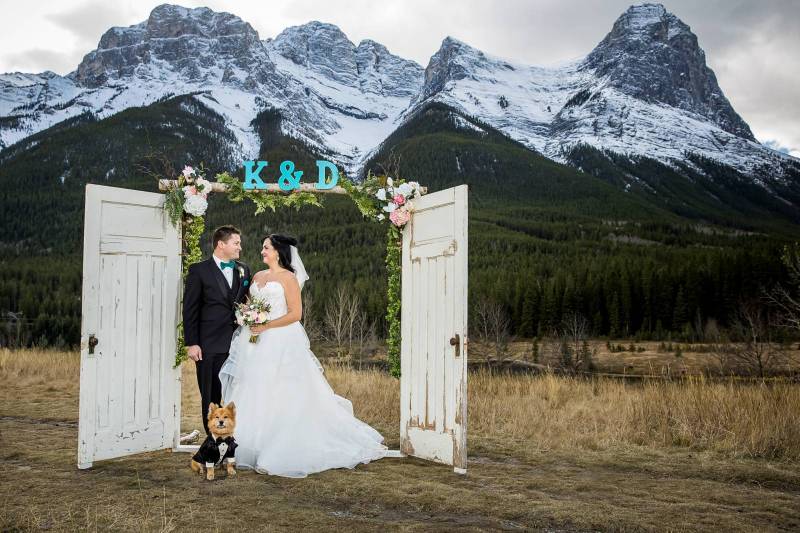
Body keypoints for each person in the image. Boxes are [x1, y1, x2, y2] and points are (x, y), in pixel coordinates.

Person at [219, 234, 387, 477]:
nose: (262, 251)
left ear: (278, 251)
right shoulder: (257, 276)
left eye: (266, 247)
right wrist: (246, 315)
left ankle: (278, 448)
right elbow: (248, 305)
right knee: (253, 386)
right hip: (253, 341)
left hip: (280, 339)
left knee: (281, 390)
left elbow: (295, 313)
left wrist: (266, 325)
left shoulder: (288, 278)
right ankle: (246, 445)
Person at [182, 225, 251, 436]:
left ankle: (234, 439)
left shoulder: (244, 270)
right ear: (221, 244)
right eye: (236, 243)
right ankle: (213, 441)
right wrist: (191, 343)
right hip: (208, 345)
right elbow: (190, 308)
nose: (240, 246)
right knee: (211, 396)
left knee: (235, 393)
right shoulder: (199, 270)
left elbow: (246, 300)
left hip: (237, 343)